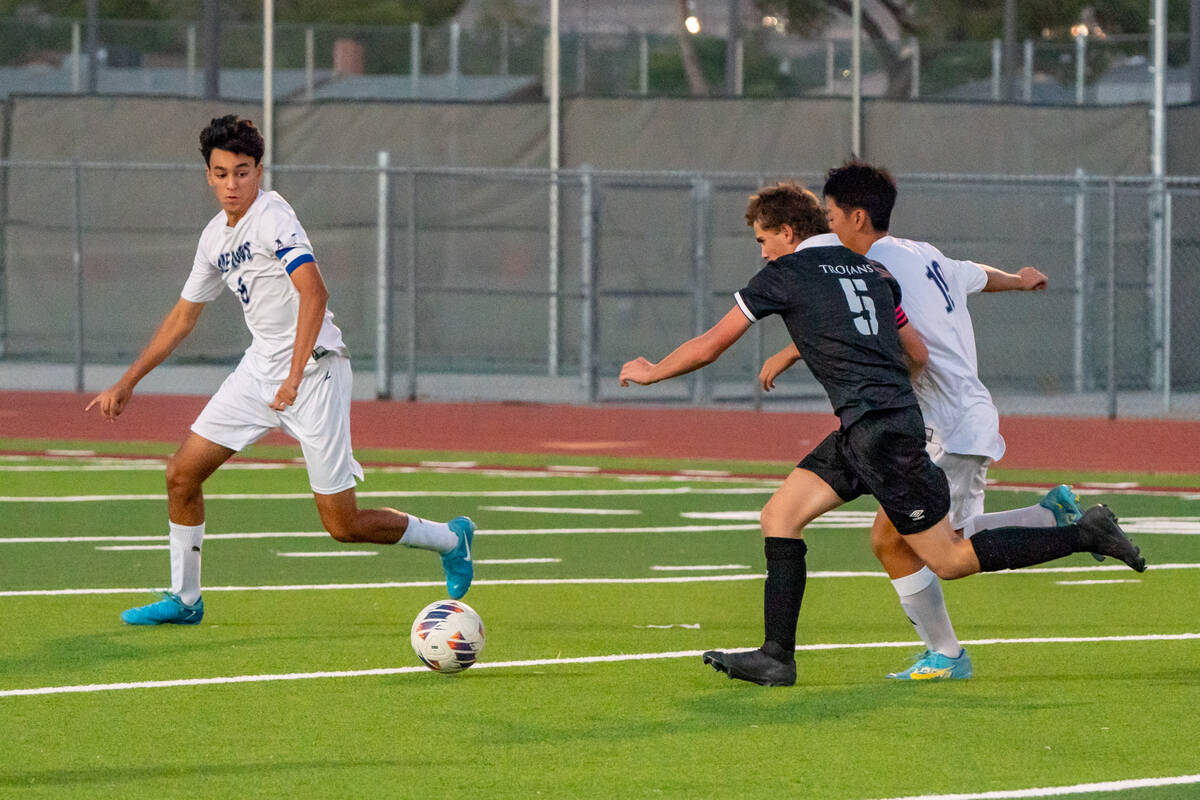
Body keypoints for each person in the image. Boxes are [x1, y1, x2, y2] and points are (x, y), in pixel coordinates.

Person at [618, 181, 1145, 687]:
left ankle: (1082, 535)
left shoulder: (784, 275)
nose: (761, 253)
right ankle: (776, 657)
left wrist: (652, 371)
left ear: (785, 232)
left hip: (881, 436)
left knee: (950, 559)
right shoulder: (872, 271)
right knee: (780, 515)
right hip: (872, 427)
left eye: (762, 239)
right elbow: (916, 353)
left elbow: (712, 345)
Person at [86, 115, 474, 626]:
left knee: (343, 524)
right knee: (181, 475)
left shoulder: (273, 216)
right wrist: (128, 381)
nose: (232, 185)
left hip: (314, 375)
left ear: (259, 171)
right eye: (221, 173)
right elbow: (183, 318)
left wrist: (293, 376)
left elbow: (315, 292)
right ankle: (185, 600)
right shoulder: (212, 239)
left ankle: (451, 538)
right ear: (208, 175)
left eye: (242, 173)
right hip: (259, 372)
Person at [757, 165, 1088, 681]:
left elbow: (894, 343)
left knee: (924, 548)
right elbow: (974, 274)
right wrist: (1019, 281)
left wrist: (806, 355)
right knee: (921, 537)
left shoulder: (871, 267)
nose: (827, 225)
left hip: (942, 424)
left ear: (857, 217)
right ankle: (1051, 518)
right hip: (954, 418)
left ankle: (955, 650)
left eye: (832, 215)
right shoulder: (921, 253)